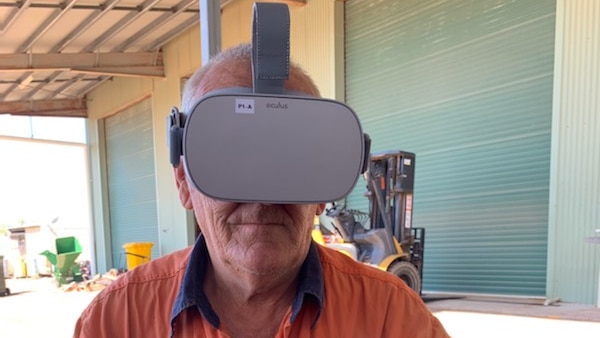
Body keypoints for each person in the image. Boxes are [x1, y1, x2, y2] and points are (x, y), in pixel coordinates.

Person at [73, 43, 451, 338]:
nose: (263, 197)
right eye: (231, 157)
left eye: (291, 160)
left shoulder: (391, 316)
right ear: (183, 184)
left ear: (322, 194)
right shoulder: (116, 320)